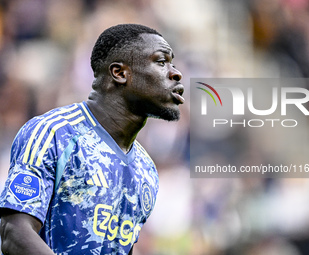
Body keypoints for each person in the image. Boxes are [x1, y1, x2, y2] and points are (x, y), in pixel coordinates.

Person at [0, 24, 184, 255]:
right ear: (120, 73)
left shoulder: (146, 170)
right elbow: (14, 235)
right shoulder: (53, 133)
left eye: (173, 63)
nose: (175, 73)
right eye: (161, 61)